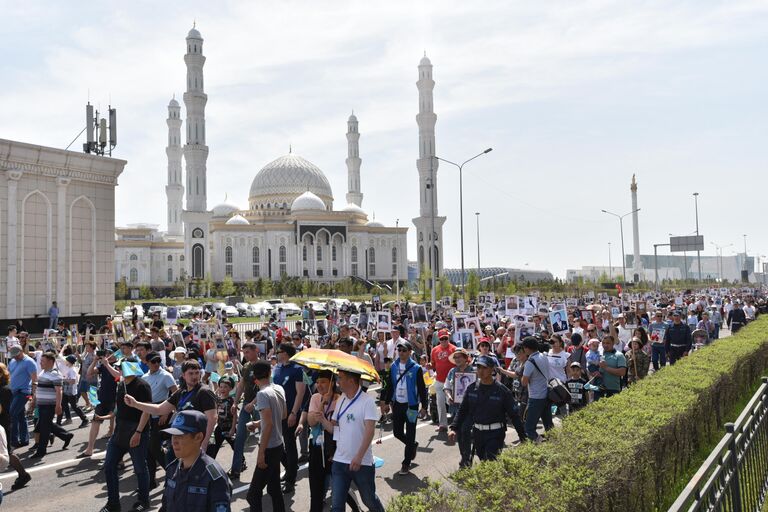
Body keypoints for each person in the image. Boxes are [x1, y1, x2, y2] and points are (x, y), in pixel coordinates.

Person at [124, 359, 217, 453]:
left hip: (200, 441)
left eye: (197, 373)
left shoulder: (204, 392)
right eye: (191, 373)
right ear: (183, 375)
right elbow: (159, 409)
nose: (195, 376)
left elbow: (212, 418)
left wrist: (204, 443)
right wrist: (135, 404)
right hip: (185, 440)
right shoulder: (181, 392)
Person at [325, 370, 384, 512]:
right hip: (340, 461)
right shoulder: (341, 399)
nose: (337, 382)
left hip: (362, 463)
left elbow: (370, 431)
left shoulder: (367, 401)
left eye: (340, 378)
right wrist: (322, 418)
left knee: (369, 500)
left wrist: (358, 457)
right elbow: (334, 428)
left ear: (351, 381)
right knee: (337, 505)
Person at [101, 359, 152, 512]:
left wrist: (138, 433)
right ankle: (113, 504)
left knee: (140, 468)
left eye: (120, 366)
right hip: (120, 432)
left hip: (137, 431)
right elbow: (119, 408)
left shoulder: (142, 385)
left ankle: (143, 501)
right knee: (109, 466)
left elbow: (147, 410)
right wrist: (107, 417)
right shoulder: (121, 385)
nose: (118, 369)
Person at [449, 355, 520, 462]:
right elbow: (462, 410)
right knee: (483, 461)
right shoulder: (471, 388)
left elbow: (514, 415)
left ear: (492, 369)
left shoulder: (502, 390)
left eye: (484, 368)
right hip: (478, 433)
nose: (481, 371)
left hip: (496, 434)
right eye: (479, 367)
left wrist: (523, 437)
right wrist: (454, 428)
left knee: (490, 461)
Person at [159, 410, 232, 512]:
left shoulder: (214, 476)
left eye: (180, 436)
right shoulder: (172, 469)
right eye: (173, 435)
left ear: (198, 437)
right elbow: (165, 507)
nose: (174, 441)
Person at [245, 360, 287, 512]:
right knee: (274, 489)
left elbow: (269, 424)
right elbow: (282, 415)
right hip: (278, 444)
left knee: (253, 494)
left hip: (269, 447)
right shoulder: (279, 388)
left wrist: (261, 453)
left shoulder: (262, 394)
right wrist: (258, 423)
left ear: (254, 379)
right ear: (270, 373)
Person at [381, 340, 428, 475]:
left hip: (411, 406)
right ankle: (412, 444)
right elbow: (390, 386)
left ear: (409, 352)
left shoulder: (416, 368)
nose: (401, 353)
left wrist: (424, 406)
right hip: (398, 405)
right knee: (397, 432)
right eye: (399, 350)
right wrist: (386, 402)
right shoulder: (394, 366)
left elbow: (422, 389)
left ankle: (406, 463)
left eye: (404, 350)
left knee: (411, 432)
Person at [272, 342, 307, 494]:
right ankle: (290, 467)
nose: (276, 354)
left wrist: (294, 413)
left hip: (291, 413)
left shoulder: (297, 369)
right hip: (277, 413)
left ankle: (290, 480)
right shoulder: (277, 368)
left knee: (290, 445)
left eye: (279, 351)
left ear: (285, 353)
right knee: (278, 445)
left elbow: (301, 393)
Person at [142, 351, 179, 489]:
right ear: (147, 362)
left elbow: (176, 394)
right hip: (148, 414)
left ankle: (173, 474)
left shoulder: (166, 375)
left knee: (154, 447)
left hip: (162, 413)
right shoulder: (144, 377)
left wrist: (167, 411)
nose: (157, 364)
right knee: (148, 450)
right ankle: (151, 480)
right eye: (153, 361)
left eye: (158, 361)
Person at [30, 351, 74, 458]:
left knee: (44, 427)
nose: (40, 363)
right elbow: (38, 389)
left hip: (49, 405)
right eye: (40, 361)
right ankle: (66, 435)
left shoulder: (55, 374)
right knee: (45, 425)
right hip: (41, 405)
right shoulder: (42, 372)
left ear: (50, 361)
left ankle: (41, 450)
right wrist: (34, 401)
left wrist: (58, 406)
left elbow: (59, 391)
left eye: (43, 361)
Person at [0, 362, 32, 490]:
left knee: (7, 452)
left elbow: (1, 410)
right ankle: (23, 475)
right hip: (3, 422)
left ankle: (23, 475)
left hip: (3, 423)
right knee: (7, 451)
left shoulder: (5, 389)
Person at [521, 337, 554, 443]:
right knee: (549, 425)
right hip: (546, 395)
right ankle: (555, 444)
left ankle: (540, 445)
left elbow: (524, 382)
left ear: (526, 348)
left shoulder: (530, 362)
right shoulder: (543, 356)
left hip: (535, 398)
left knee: (529, 428)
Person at [8, 345, 37, 448]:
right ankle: (24, 440)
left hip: (24, 392)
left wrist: (33, 396)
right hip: (14, 392)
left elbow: (35, 380)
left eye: (16, 355)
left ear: (21, 352)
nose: (14, 357)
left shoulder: (29, 362)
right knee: (20, 415)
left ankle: (14, 440)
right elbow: (9, 375)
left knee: (12, 414)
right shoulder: (12, 361)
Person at [430, 329, 457, 432]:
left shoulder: (454, 349)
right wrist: (429, 366)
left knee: (452, 403)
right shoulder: (434, 350)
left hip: (451, 381)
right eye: (442, 339)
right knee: (440, 403)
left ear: (448, 338)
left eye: (445, 338)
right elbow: (433, 364)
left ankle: (456, 424)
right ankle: (443, 425)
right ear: (439, 339)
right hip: (439, 380)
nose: (444, 340)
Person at [206, 376, 236, 459]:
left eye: (226, 387)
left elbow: (235, 416)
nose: (223, 389)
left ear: (230, 388)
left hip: (229, 428)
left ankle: (241, 463)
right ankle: (210, 464)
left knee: (235, 447)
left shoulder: (231, 400)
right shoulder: (217, 400)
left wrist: (233, 429)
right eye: (221, 387)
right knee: (214, 448)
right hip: (219, 428)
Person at [57, 354, 88, 428]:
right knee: (63, 405)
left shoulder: (72, 370)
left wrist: (63, 380)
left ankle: (85, 419)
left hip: (71, 391)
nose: (65, 362)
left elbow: (73, 381)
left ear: (69, 362)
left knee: (74, 406)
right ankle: (58, 423)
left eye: (66, 361)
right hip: (66, 389)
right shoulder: (69, 368)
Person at [596, 335, 627, 400]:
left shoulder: (619, 355)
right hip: (599, 388)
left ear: (613, 343)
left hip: (613, 389)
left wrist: (606, 368)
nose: (605, 345)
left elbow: (622, 372)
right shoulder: (599, 354)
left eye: (608, 343)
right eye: (603, 343)